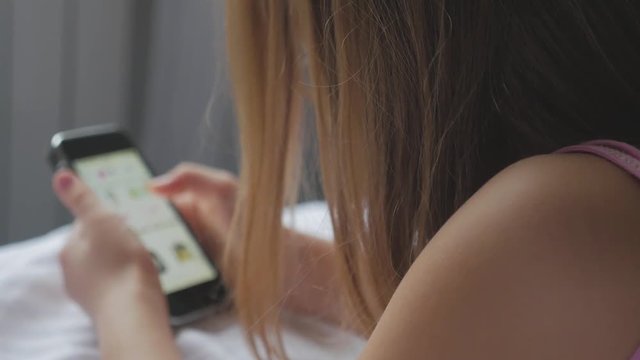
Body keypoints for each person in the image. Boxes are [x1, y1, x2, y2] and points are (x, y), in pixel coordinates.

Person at [52, 1, 640, 359]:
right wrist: (288, 261)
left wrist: (123, 296)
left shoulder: (557, 223)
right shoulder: (594, 215)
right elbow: (502, 324)